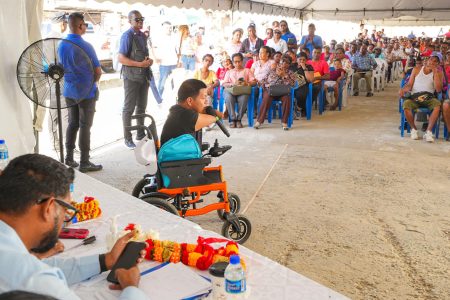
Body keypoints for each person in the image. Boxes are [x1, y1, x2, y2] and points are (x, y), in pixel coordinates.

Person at [0, 154, 147, 299]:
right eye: (66, 211)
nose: (66, 220)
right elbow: (33, 273)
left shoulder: (16, 259)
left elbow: (40, 266)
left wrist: (105, 260)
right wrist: (131, 289)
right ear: (49, 208)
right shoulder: (36, 283)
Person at [59, 12, 102, 172]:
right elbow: (98, 71)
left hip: (69, 91)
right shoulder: (86, 46)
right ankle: (84, 161)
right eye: (85, 24)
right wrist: (94, 84)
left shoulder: (62, 44)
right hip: (86, 93)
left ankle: (69, 158)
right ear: (80, 26)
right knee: (85, 126)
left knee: (72, 123)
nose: (85, 27)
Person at [118, 10, 152, 150]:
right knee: (128, 109)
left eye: (141, 19)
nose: (140, 21)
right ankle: (127, 138)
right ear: (130, 21)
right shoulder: (127, 36)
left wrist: (148, 61)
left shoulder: (142, 36)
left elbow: (142, 55)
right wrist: (140, 64)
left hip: (143, 76)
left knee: (142, 106)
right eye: (136, 19)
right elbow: (121, 58)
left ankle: (140, 133)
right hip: (131, 77)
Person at [160, 79, 223, 146]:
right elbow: (218, 116)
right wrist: (211, 113)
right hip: (179, 156)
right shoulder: (186, 116)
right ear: (189, 101)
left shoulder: (177, 112)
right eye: (204, 97)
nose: (206, 101)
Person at [399, 54, 443, 142]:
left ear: (438, 64)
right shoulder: (416, 70)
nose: (432, 62)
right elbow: (409, 85)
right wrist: (403, 90)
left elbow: (438, 89)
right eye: (431, 60)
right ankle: (414, 129)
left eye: (435, 62)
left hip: (429, 97)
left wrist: (435, 72)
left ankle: (428, 131)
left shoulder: (438, 73)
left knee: (437, 105)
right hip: (415, 96)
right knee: (406, 105)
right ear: (427, 60)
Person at [255, 54, 296, 130]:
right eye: (283, 61)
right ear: (280, 62)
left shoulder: (290, 73)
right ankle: (259, 121)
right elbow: (264, 80)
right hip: (271, 90)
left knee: (287, 99)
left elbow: (293, 84)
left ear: (289, 64)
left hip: (283, 92)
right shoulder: (272, 70)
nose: (284, 63)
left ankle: (284, 122)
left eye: (287, 62)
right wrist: (260, 83)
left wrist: (284, 75)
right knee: (266, 97)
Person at [222, 53, 256, 128]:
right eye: (235, 62)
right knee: (228, 97)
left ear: (242, 61)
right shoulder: (229, 72)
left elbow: (254, 82)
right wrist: (233, 84)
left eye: (239, 61)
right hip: (231, 91)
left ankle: (239, 119)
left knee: (244, 98)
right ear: (233, 62)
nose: (237, 63)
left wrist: (246, 83)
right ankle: (233, 119)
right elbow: (224, 84)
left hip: (242, 91)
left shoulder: (247, 70)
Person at [154, 21, 178, 98]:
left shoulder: (174, 37)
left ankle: (176, 99)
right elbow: (154, 48)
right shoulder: (159, 37)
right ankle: (159, 99)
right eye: (167, 27)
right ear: (163, 28)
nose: (169, 29)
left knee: (175, 83)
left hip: (174, 63)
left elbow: (177, 49)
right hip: (164, 64)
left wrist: (179, 60)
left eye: (170, 27)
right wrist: (156, 58)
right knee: (162, 84)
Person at [293, 52, 314, 117]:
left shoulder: (309, 67)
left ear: (306, 60)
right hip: (292, 85)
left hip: (303, 85)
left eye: (304, 60)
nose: (302, 61)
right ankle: (293, 109)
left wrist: (304, 68)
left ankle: (298, 108)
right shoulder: (292, 66)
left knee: (301, 94)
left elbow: (310, 80)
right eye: (300, 59)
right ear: (296, 59)